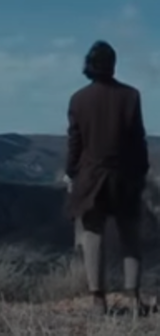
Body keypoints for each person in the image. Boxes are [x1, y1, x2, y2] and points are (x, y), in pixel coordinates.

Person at [64, 40, 150, 316]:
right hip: (124, 177)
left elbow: (74, 143)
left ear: (89, 65)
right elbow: (138, 140)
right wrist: (140, 172)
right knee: (130, 236)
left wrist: (71, 171)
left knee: (93, 236)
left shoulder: (78, 100)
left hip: (91, 178)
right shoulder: (131, 96)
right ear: (113, 65)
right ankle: (133, 298)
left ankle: (98, 301)